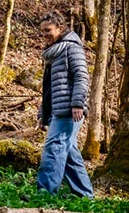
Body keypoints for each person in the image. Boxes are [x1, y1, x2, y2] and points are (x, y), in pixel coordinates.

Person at [36, 12, 93, 197]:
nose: (44, 34)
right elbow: (50, 87)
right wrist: (42, 113)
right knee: (68, 154)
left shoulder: (71, 48)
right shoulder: (55, 52)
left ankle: (44, 194)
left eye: (48, 30)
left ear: (60, 28)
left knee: (54, 150)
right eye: (42, 31)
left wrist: (77, 103)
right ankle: (85, 195)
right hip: (57, 110)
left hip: (69, 111)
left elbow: (81, 77)